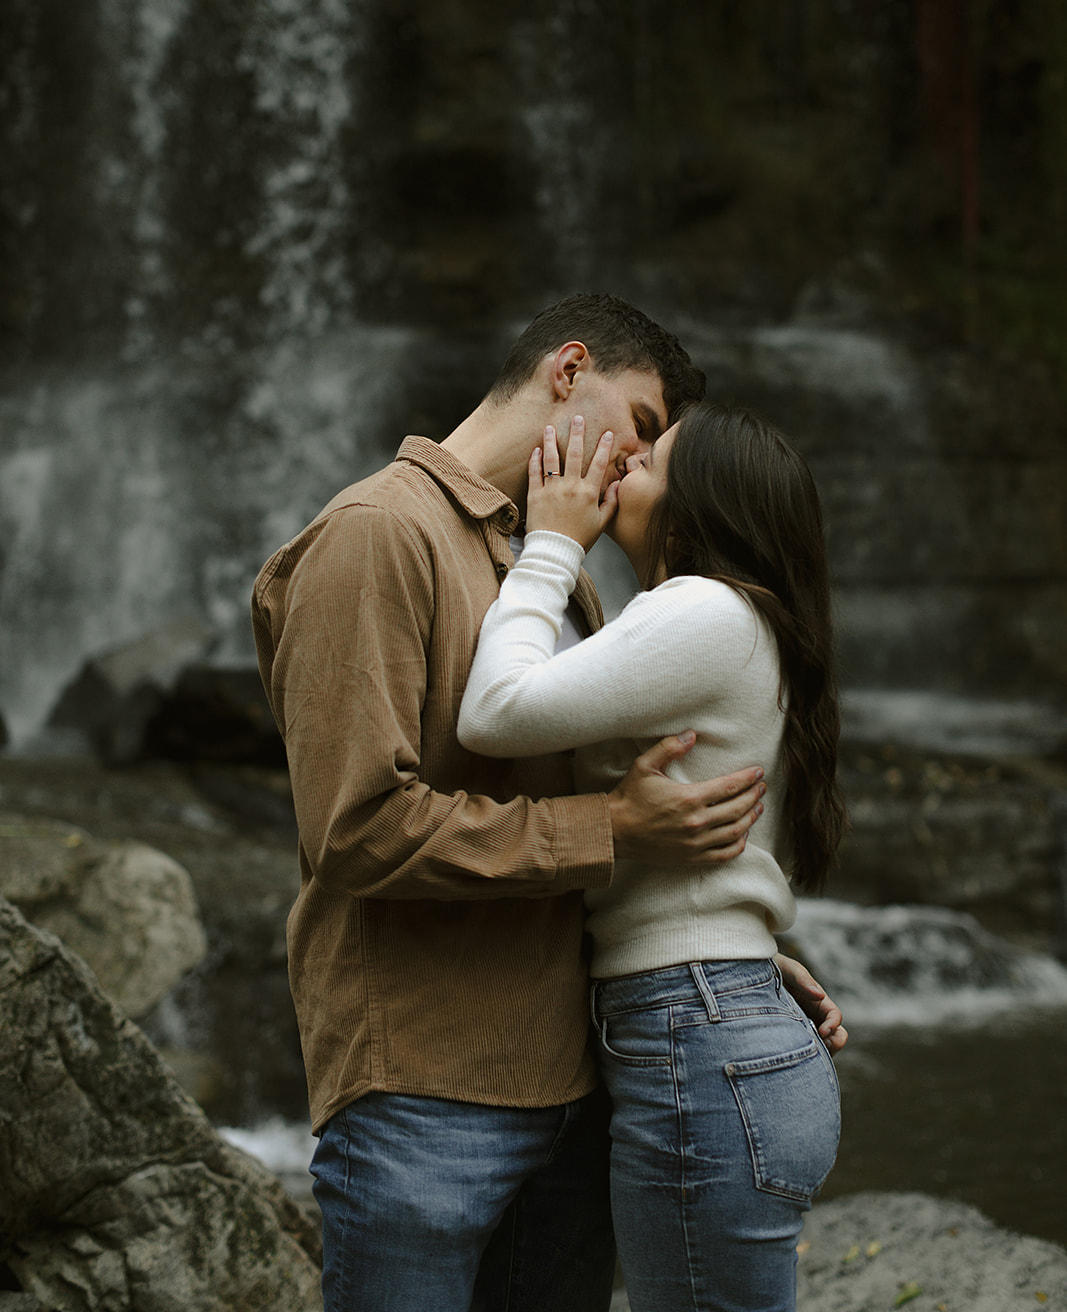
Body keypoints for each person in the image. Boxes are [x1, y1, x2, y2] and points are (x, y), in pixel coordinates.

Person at [251, 295, 845, 1312]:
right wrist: (613, 828)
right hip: (423, 1096)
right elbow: (354, 828)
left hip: (573, 1087)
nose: (634, 464)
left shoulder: (554, 568)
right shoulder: (375, 534)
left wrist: (727, 958)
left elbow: (609, 812)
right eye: (644, 428)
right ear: (568, 372)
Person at [458, 402, 848, 1312]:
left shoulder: (703, 611)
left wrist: (551, 544)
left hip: (697, 1036)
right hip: (711, 1024)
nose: (619, 463)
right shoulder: (725, 622)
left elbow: (494, 713)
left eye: (649, 459)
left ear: (696, 504)